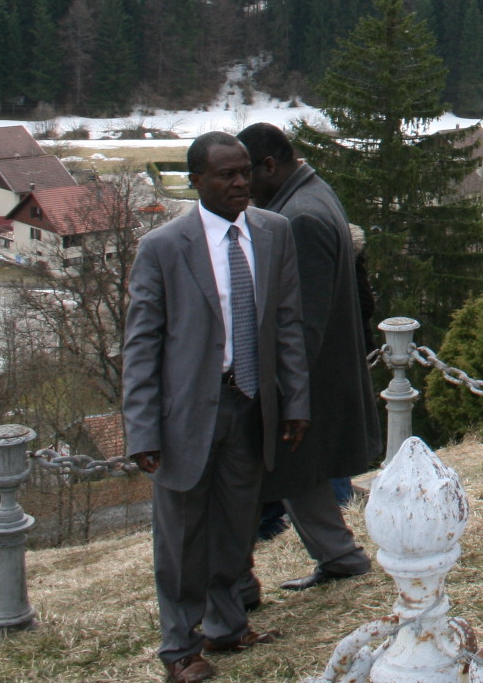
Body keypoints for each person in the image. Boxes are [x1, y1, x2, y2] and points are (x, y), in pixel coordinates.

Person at [123, 132, 310, 683]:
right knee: (181, 539)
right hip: (184, 417)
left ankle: (227, 626)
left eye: (246, 172)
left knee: (235, 527)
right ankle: (180, 649)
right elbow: (141, 346)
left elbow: (288, 325)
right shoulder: (162, 248)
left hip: (251, 407)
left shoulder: (275, 234)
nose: (240, 183)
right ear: (196, 182)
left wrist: (294, 401)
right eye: (227, 175)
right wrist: (142, 430)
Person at [235, 122, 381, 594]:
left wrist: (279, 387)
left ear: (270, 166)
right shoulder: (313, 194)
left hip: (311, 377)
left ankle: (235, 584)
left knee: (265, 478)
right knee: (300, 476)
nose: (242, 187)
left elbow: (304, 318)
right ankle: (340, 558)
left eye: (245, 174)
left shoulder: (299, 217)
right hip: (319, 372)